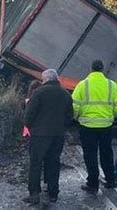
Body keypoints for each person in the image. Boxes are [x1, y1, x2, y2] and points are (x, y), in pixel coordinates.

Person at [72, 60, 117, 194]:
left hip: (87, 126)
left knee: (90, 155)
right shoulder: (111, 85)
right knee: (106, 152)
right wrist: (111, 115)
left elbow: (75, 106)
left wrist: (77, 117)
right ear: (102, 69)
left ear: (91, 69)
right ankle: (110, 180)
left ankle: (93, 184)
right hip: (105, 125)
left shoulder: (83, 85)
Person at [22, 69, 73, 205]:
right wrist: (62, 127)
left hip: (39, 134)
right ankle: (53, 193)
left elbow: (29, 114)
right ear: (56, 79)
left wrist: (31, 127)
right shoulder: (65, 94)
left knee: (36, 163)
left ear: (46, 80)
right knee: (53, 163)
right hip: (58, 134)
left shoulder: (38, 93)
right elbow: (70, 116)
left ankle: (34, 193)